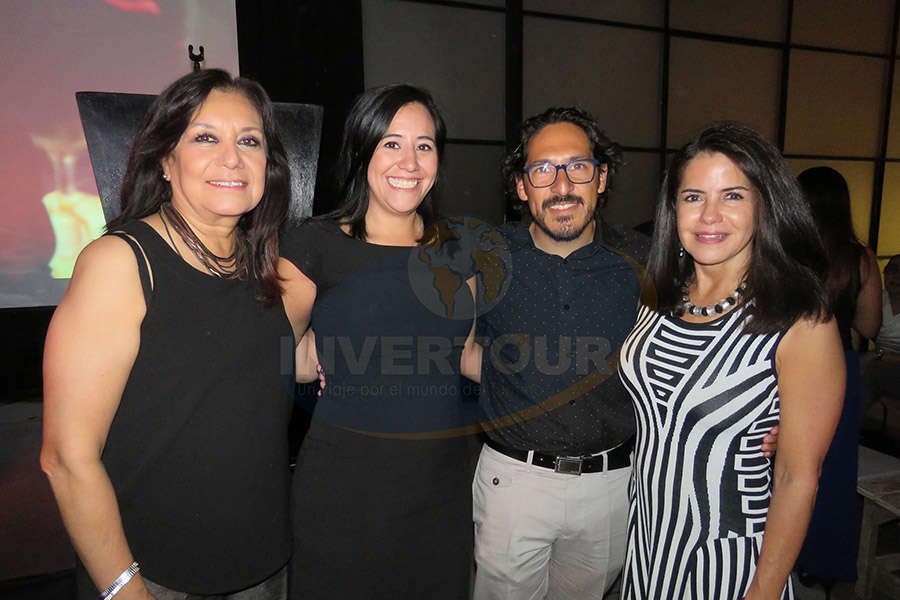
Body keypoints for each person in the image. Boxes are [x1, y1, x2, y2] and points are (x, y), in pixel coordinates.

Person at [463, 108, 778, 600]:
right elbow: (448, 342)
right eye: (543, 170)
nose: (562, 184)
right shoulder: (484, 257)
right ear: (522, 187)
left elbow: (710, 334)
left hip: (616, 484)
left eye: (578, 167)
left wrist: (759, 417)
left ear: (602, 176)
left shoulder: (649, 262)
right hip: (514, 481)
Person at [41, 69, 297, 600]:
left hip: (263, 567)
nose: (232, 158)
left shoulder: (267, 271)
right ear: (164, 159)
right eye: (206, 137)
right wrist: (124, 589)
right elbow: (67, 457)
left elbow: (261, 377)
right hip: (153, 577)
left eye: (249, 141)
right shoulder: (121, 263)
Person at [618, 122, 844, 599]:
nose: (710, 215)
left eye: (733, 196)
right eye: (694, 197)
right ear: (672, 208)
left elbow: (797, 475)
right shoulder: (659, 296)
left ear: (764, 207)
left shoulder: (801, 321)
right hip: (648, 541)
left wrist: (763, 589)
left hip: (728, 559)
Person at [279, 84, 479, 599]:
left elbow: (466, 355)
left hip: (440, 488)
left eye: (425, 145)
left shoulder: (458, 252)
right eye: (391, 143)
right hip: (346, 489)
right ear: (362, 149)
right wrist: (319, 359)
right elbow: (274, 352)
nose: (409, 162)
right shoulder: (314, 245)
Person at [794, 166, 882, 585]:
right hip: (838, 368)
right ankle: (823, 564)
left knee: (782, 463)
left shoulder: (787, 250)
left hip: (787, 367)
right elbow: (869, 327)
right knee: (833, 467)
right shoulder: (858, 257)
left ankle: (779, 552)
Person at [863, 254, 900, 420]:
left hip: (888, 362)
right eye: (891, 270)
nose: (895, 276)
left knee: (874, 372)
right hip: (879, 360)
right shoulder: (878, 299)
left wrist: (883, 356)